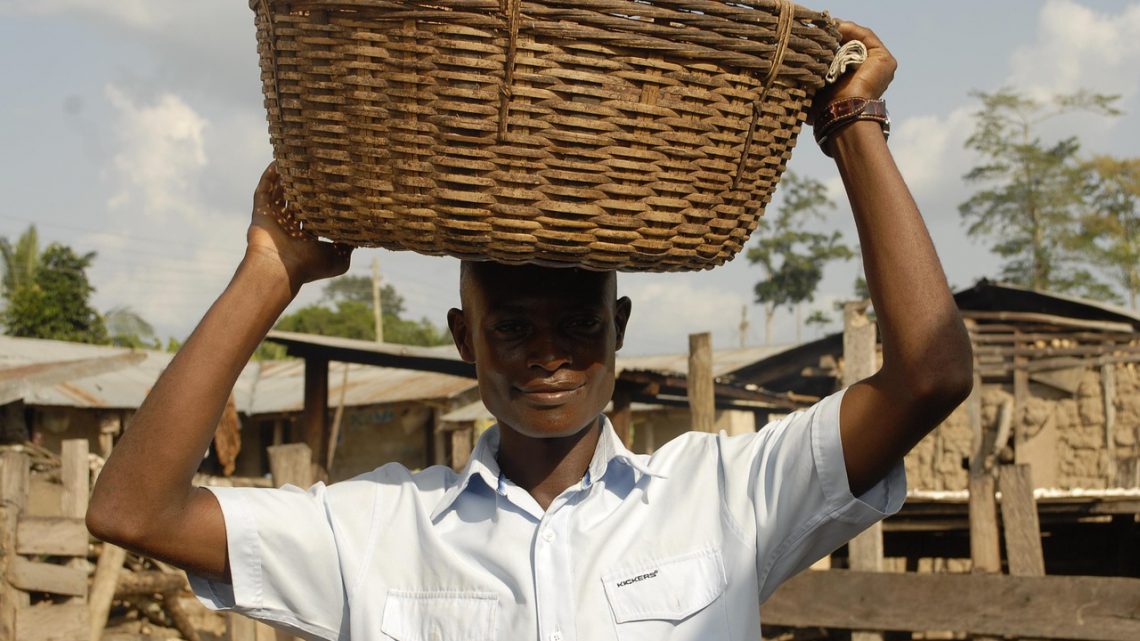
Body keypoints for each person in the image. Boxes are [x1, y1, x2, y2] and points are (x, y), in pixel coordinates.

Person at [88, 22, 972, 641]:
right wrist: (269, 270)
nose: (548, 354)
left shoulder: (730, 497)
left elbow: (930, 373)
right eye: (511, 327)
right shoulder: (377, 527)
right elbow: (133, 510)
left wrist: (854, 127)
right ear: (463, 339)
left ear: (618, 328)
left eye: (578, 324)